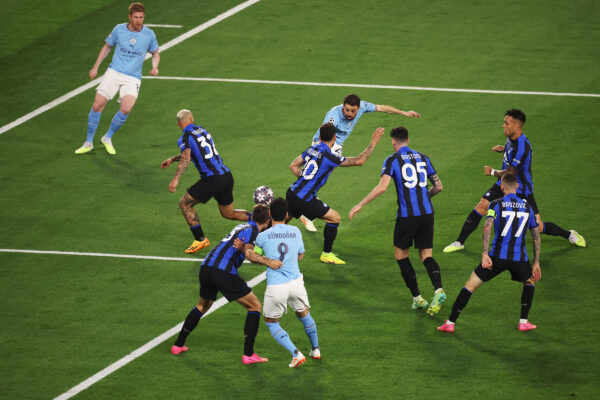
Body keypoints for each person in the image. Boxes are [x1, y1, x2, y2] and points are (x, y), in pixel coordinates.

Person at [443, 109, 585, 253]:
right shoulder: (512, 138)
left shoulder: (521, 147)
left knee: (537, 226)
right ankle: (459, 242)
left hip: (521, 189)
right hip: (504, 184)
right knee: (481, 206)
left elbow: (510, 172)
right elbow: (512, 152)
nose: (503, 126)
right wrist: (503, 149)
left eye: (506, 123)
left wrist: (492, 172)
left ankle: (570, 234)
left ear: (516, 126)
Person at [349, 126, 445, 315]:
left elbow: (382, 187)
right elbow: (439, 186)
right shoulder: (424, 158)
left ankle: (417, 298)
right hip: (427, 213)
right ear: (408, 140)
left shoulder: (392, 160)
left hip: (407, 217)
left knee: (401, 256)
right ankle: (438, 289)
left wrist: (360, 204)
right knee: (426, 255)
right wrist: (423, 197)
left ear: (394, 142)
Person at [171, 204, 283, 364]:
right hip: (222, 272)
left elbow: (244, 249)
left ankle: (178, 345)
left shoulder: (243, 225)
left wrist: (244, 249)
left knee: (202, 306)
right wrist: (269, 262)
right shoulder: (253, 230)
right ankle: (249, 354)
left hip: (206, 267)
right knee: (255, 306)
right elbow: (251, 254)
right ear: (267, 220)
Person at [300, 94, 420, 232]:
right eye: (347, 110)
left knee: (322, 177)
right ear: (343, 106)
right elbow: (325, 134)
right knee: (316, 175)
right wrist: (321, 153)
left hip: (337, 144)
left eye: (353, 111)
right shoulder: (334, 117)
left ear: (358, 108)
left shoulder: (363, 106)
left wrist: (403, 112)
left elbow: (381, 108)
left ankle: (307, 207)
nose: (350, 114)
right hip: (324, 143)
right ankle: (307, 209)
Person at [438, 173, 541, 332]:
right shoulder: (528, 207)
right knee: (529, 282)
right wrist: (536, 263)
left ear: (501, 187)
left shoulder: (495, 204)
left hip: (496, 258)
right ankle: (523, 321)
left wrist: (485, 254)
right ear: (517, 186)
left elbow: (487, 227)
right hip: (520, 259)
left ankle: (450, 323)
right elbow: (536, 237)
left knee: (470, 285)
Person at [287, 122, 385, 265]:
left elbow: (293, 165)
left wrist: (305, 181)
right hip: (304, 199)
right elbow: (360, 160)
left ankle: (258, 244)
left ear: (319, 136)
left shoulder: (311, 149)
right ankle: (326, 254)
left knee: (282, 220)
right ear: (334, 137)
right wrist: (373, 142)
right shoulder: (330, 158)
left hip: (292, 192)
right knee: (334, 218)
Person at [75, 2, 160, 155]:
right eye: (135, 17)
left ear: (144, 17)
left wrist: (155, 67)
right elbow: (107, 47)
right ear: (130, 17)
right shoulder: (119, 29)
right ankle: (88, 142)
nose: (138, 20)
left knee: (126, 109)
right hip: (114, 73)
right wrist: (96, 67)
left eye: (141, 17)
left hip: (133, 78)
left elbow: (155, 53)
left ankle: (107, 138)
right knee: (97, 106)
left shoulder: (149, 34)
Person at [161, 109, 250, 254]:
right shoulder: (202, 131)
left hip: (212, 180)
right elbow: (197, 153)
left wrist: (176, 179)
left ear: (178, 123)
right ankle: (260, 220)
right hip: (226, 176)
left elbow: (187, 157)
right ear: (192, 119)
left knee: (185, 204)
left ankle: (200, 239)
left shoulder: (185, 138)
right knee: (228, 213)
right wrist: (172, 159)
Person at [254, 198, 320, 368]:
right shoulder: (296, 231)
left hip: (277, 286)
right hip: (296, 283)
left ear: (269, 215)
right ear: (286, 214)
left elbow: (256, 257)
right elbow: (300, 255)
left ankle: (295, 353)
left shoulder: (262, 236)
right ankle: (316, 349)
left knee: (271, 321)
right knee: (304, 314)